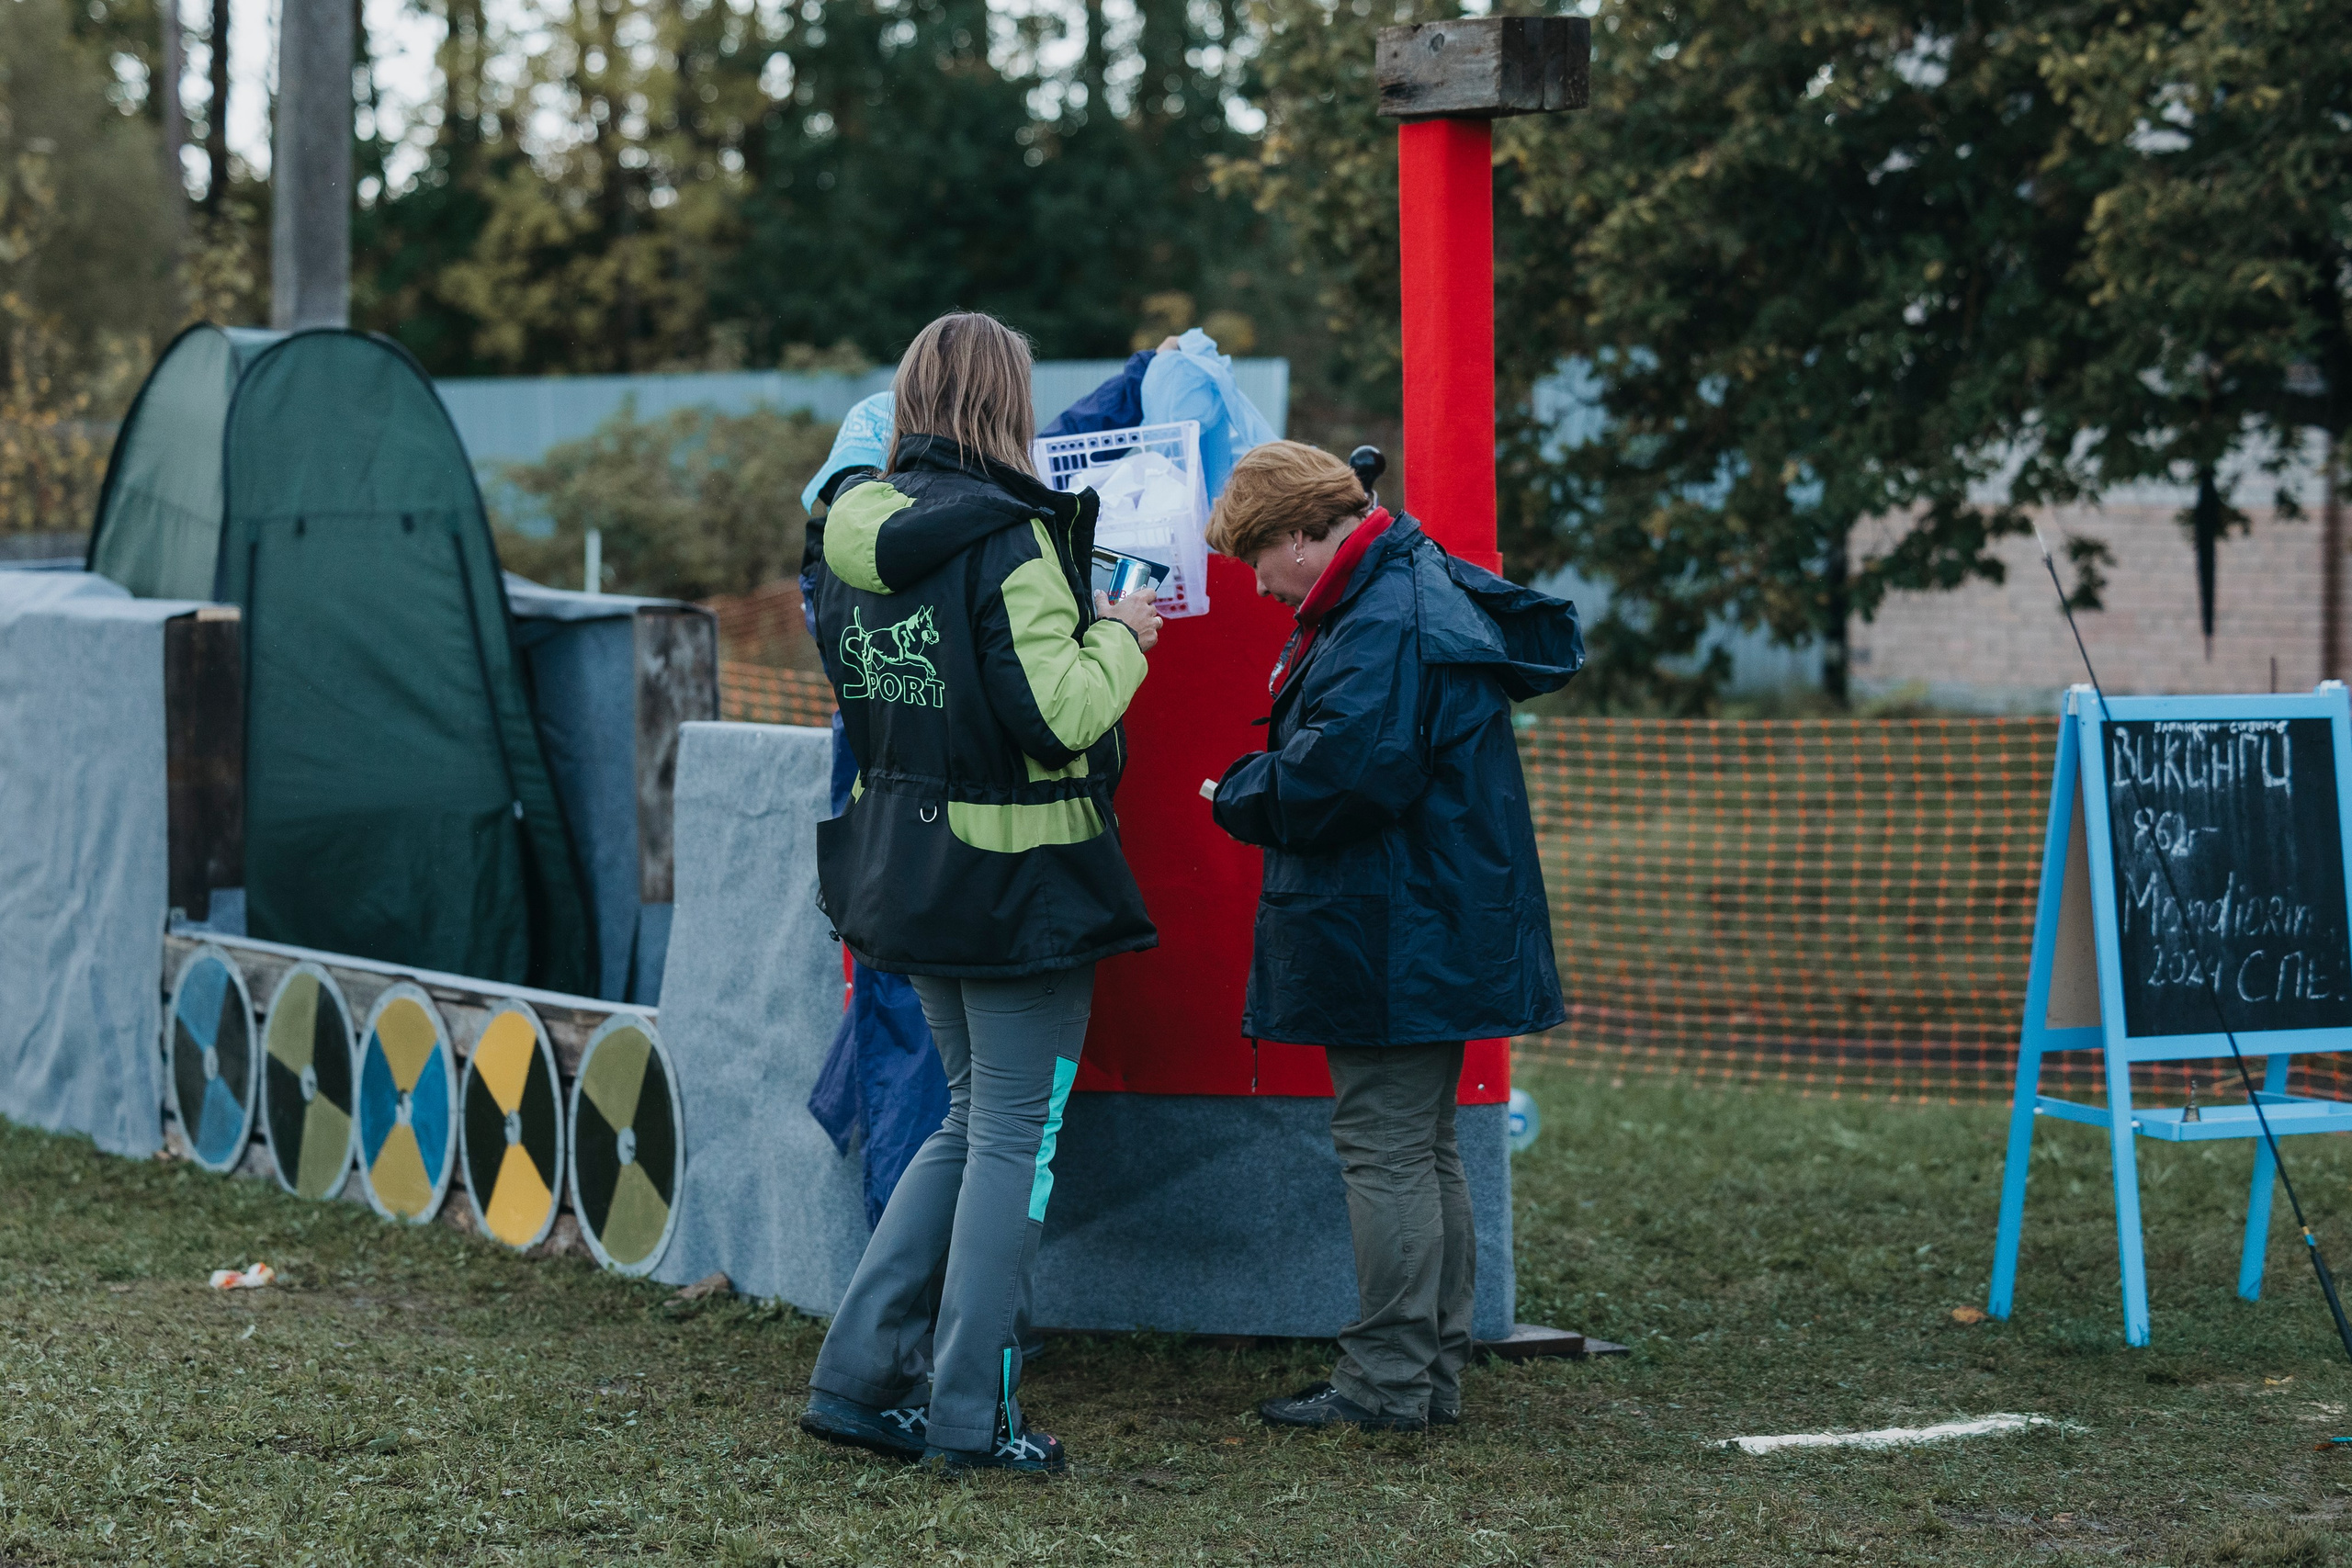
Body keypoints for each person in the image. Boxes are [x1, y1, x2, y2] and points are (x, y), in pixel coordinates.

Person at [797, 311, 1165, 1473]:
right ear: (1008, 402)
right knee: (1013, 1143)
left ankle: (857, 1383)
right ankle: (971, 1419)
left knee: (967, 1127)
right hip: (1021, 887)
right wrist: (1123, 634)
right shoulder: (1011, 539)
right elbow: (1059, 712)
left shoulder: (847, 536)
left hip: (905, 877)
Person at [1204, 440, 1582, 1431]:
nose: (1257, 586)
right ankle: (1426, 1373)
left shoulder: (1379, 619)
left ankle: (1384, 1385)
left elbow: (1345, 776)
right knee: (1424, 1148)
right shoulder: (1403, 581)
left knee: (1383, 1147)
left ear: (1299, 536)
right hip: (1432, 918)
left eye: (1257, 561)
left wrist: (1239, 792)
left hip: (1397, 925)